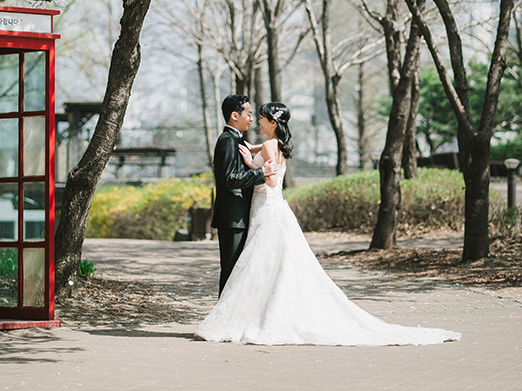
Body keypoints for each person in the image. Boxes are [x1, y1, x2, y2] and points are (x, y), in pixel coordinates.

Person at [196, 102, 460, 345]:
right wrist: (252, 156)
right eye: (255, 116)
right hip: (271, 209)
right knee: (270, 266)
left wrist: (255, 167)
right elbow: (264, 152)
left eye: (262, 118)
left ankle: (244, 317)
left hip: (266, 208)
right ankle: (260, 314)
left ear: (273, 123)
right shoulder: (275, 145)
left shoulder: (267, 147)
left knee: (258, 265)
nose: (258, 122)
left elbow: (271, 181)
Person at [211, 94, 273, 295]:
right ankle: (221, 321)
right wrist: (259, 174)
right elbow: (228, 178)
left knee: (239, 272)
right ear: (234, 115)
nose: (252, 118)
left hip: (240, 215)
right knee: (231, 271)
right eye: (249, 114)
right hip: (232, 216)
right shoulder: (227, 140)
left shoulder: (236, 139)